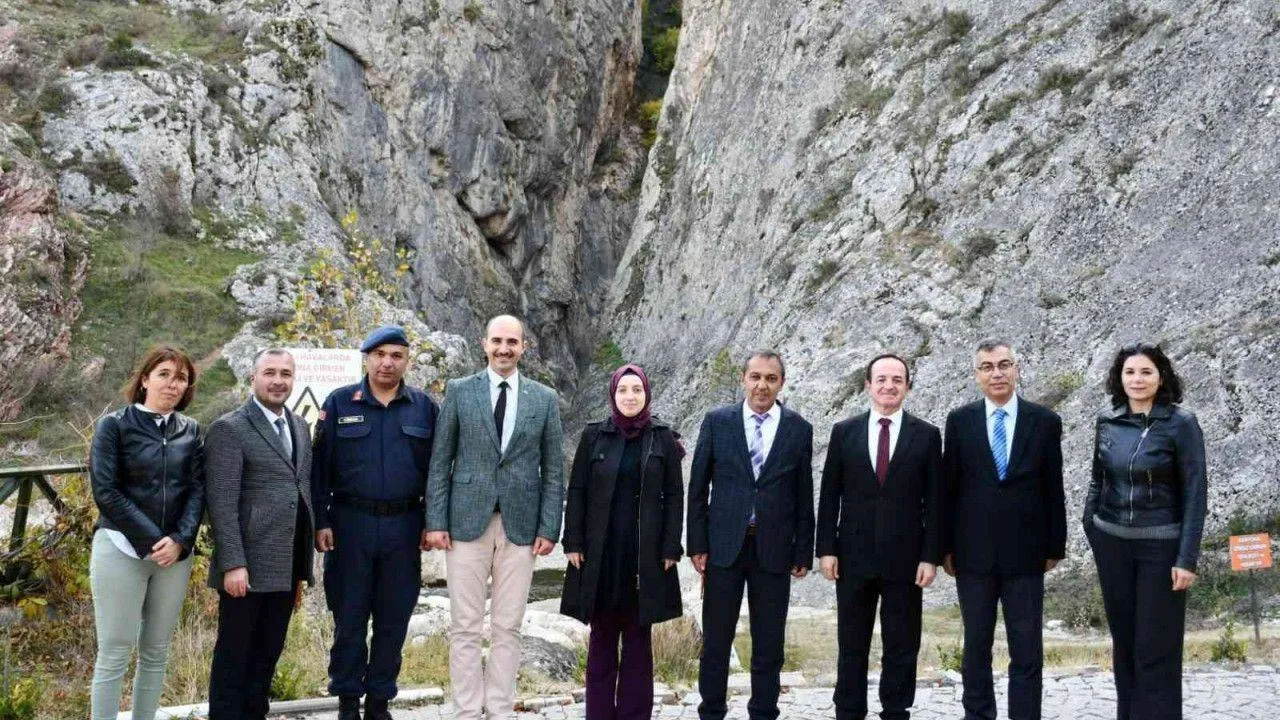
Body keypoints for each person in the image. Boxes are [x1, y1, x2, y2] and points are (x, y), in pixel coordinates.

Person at [425, 314, 565, 720]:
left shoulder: (544, 398)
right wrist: (436, 521)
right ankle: (467, 711)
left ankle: (500, 710)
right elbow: (440, 461)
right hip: (465, 523)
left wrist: (549, 527)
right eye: (497, 341)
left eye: (512, 342)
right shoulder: (459, 391)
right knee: (465, 625)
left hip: (522, 527)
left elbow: (554, 470)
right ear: (484, 343)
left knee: (508, 626)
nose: (504, 349)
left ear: (524, 347)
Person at [312, 326, 440, 720]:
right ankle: (348, 703)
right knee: (349, 618)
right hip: (350, 525)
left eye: (396, 355)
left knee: (393, 619)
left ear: (407, 361)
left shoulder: (424, 407)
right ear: (366, 358)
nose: (387, 363)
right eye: (379, 354)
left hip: (404, 527)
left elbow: (437, 472)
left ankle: (380, 704)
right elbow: (319, 469)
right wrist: (320, 520)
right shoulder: (339, 403)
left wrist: (432, 521)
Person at [687, 349, 814, 720]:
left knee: (769, 643)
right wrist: (697, 544)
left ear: (781, 383)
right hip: (723, 547)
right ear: (743, 379)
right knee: (716, 641)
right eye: (755, 377)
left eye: (770, 378)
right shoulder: (717, 422)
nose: (762, 385)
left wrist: (803, 551)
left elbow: (804, 494)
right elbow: (698, 488)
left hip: (774, 548)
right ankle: (711, 711)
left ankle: (764, 712)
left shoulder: (798, 429)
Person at [941, 340, 1065, 720]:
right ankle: (978, 715)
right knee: (976, 646)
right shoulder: (959, 421)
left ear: (1016, 369)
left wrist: (1054, 546)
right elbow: (949, 488)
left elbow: (1053, 487)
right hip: (972, 554)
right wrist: (945, 547)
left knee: (1026, 648)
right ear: (977, 374)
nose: (997, 373)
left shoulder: (1044, 421)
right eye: (987, 367)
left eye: (1004, 365)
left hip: (1026, 555)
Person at [816, 353, 943, 720]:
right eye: (882, 379)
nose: (889, 386)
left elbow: (936, 502)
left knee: (902, 643)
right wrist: (826, 549)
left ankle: (896, 710)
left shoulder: (927, 435)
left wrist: (930, 556)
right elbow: (830, 494)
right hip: (852, 557)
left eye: (897, 380)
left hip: (906, 559)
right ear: (868, 385)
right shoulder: (844, 432)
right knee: (851, 642)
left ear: (907, 387)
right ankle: (849, 710)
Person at [1084, 343, 1207, 720]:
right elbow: (1097, 478)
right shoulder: (1107, 419)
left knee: (1157, 649)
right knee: (1125, 645)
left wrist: (1186, 558)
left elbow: (1195, 493)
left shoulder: (1181, 424)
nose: (1137, 379)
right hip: (1112, 545)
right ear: (1119, 378)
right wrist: (1092, 525)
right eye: (1130, 372)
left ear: (1161, 376)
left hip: (1161, 548)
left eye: (1146, 372)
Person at [559, 364, 684, 720]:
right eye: (623, 390)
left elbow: (675, 495)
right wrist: (573, 541)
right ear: (613, 395)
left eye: (637, 390)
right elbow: (577, 490)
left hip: (643, 555)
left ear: (647, 394)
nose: (630, 397)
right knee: (601, 640)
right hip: (600, 554)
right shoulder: (594, 436)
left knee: (638, 643)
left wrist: (671, 547)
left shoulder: (662, 438)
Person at [88, 344, 204, 720]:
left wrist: (181, 541)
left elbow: (197, 490)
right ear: (144, 380)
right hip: (120, 549)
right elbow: (106, 491)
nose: (173, 384)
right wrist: (154, 540)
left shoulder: (191, 430)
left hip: (174, 557)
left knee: (156, 652)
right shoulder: (114, 426)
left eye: (181, 378)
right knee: (115, 652)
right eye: (164, 374)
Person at [205, 348, 315, 720]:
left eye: (285, 373)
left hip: (286, 564)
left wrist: (303, 564)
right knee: (234, 658)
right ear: (253, 377)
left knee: (266, 656)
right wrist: (233, 564)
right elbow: (222, 503)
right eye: (269, 372)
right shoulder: (230, 428)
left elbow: (300, 489)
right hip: (246, 567)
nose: (278, 380)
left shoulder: (299, 426)